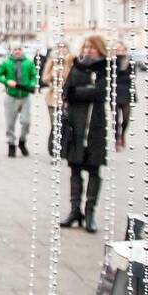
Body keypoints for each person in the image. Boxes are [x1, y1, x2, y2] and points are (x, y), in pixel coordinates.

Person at [59, 35, 112, 233]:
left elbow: (101, 92)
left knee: (94, 170)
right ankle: (75, 210)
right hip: (76, 125)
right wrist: (83, 91)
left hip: (95, 127)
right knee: (74, 170)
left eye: (92, 47)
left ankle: (90, 213)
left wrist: (80, 92)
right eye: (86, 46)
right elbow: (67, 92)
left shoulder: (105, 69)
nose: (88, 50)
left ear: (100, 49)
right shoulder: (77, 66)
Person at [0, 44, 38, 157]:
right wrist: (6, 81)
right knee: (10, 123)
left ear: (22, 50)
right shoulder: (6, 63)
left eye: (19, 49)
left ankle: (22, 142)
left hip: (25, 96)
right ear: (11, 51)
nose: (17, 51)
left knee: (26, 122)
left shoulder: (28, 63)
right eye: (15, 49)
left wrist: (31, 84)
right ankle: (11, 144)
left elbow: (34, 76)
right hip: (11, 96)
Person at [41, 43, 70, 157]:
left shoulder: (70, 63)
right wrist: (53, 76)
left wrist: (64, 74)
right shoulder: (52, 62)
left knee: (65, 123)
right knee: (55, 124)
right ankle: (53, 149)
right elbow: (44, 79)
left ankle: (64, 147)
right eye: (59, 48)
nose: (62, 50)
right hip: (52, 97)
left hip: (67, 98)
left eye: (64, 48)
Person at [114, 42, 136, 151]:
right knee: (115, 118)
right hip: (115, 92)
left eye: (122, 50)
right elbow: (112, 76)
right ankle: (116, 139)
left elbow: (132, 76)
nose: (120, 53)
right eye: (118, 50)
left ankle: (122, 135)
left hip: (127, 92)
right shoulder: (112, 62)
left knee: (126, 118)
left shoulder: (130, 61)